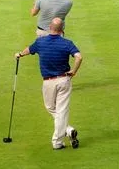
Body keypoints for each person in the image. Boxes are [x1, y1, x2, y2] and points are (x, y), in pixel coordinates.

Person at [15, 17, 83, 150]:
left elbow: (29, 49)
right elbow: (79, 56)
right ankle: (68, 130)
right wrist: (74, 71)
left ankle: (57, 142)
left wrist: (20, 54)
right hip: (64, 79)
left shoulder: (40, 42)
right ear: (62, 30)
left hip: (48, 82)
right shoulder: (67, 43)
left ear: (49, 28)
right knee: (60, 110)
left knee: (51, 108)